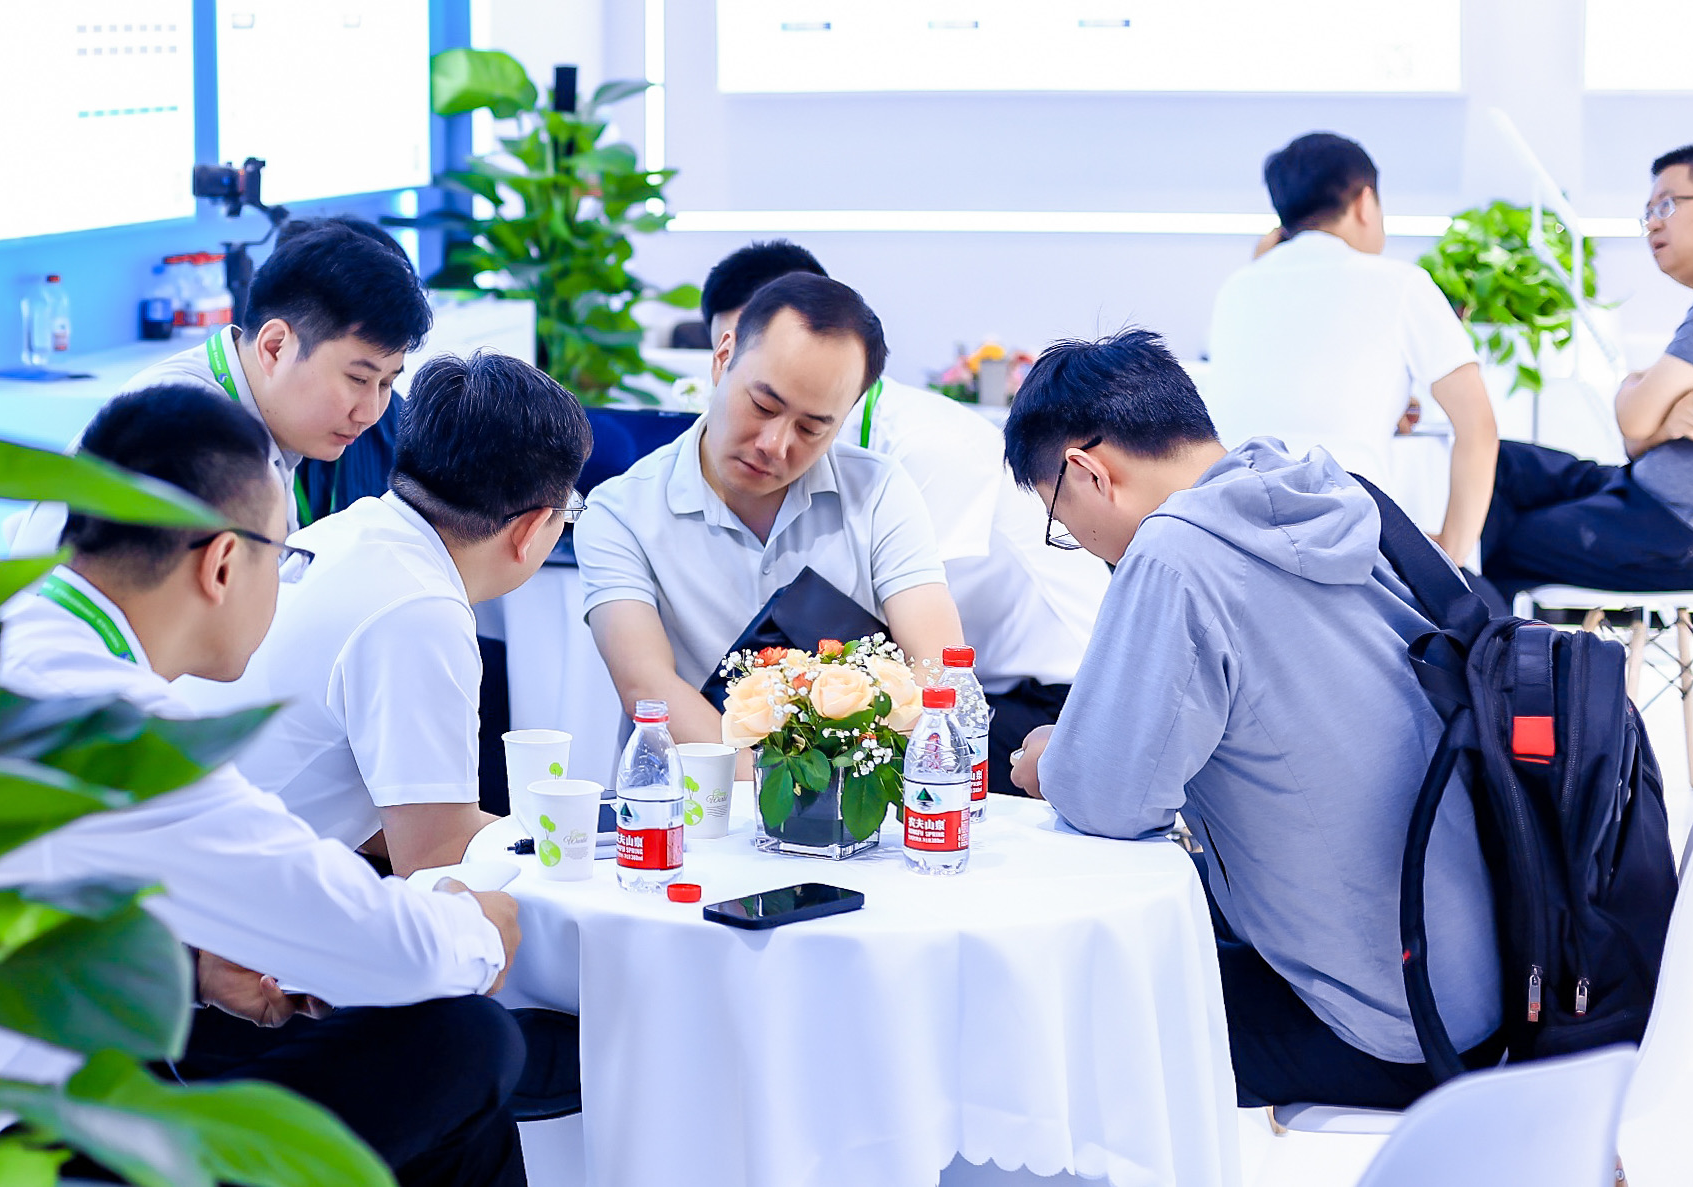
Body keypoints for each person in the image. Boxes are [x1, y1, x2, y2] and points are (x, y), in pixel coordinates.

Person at [0, 385, 529, 1187]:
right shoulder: (123, 729)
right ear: (222, 564)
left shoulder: (10, 637)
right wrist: (476, 923)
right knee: (469, 1039)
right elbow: (398, 948)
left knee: (460, 1119)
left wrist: (193, 965)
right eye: (284, 556)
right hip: (2, 1141)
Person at [998, 331, 1501, 1111]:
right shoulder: (1325, 492)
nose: (1080, 543)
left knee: (1046, 1017)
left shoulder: (1177, 551)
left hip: (1389, 1026)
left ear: (1088, 472)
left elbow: (1106, 802)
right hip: (1483, 975)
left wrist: (1045, 759)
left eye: (1061, 520)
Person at [698, 240, 1103, 789]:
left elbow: (918, 639)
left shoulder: (926, 443)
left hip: (1047, 700)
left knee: (834, 768)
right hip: (968, 684)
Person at [184, 351, 593, 876]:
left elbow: (398, 819)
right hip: (198, 901)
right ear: (531, 529)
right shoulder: (421, 612)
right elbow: (434, 859)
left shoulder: (353, 533)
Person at [580, 272, 955, 753]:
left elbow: (937, 667)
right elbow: (647, 687)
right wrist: (776, 787)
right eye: (762, 405)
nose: (774, 445)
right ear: (723, 358)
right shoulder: (621, 513)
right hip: (696, 790)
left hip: (855, 789)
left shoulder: (879, 491)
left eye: (811, 429)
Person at [1482, 144, 1693, 594]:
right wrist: (1660, 418)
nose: (1652, 223)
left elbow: (1632, 419)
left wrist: (1644, 404)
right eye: (1648, 212)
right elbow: (1637, 433)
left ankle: (1460, 635)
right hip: (1652, 494)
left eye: (1667, 205)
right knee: (1493, 460)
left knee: (1494, 539)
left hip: (1692, 530)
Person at [1205, 132, 1499, 567]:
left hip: (1234, 539)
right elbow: (1478, 426)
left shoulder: (1236, 289)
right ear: (1365, 202)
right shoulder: (1401, 283)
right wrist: (1451, 550)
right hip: (1347, 542)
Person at [124, 216, 434, 530]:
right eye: (358, 379)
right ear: (275, 348)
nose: (370, 414)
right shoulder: (183, 439)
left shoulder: (267, 418)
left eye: (386, 383)